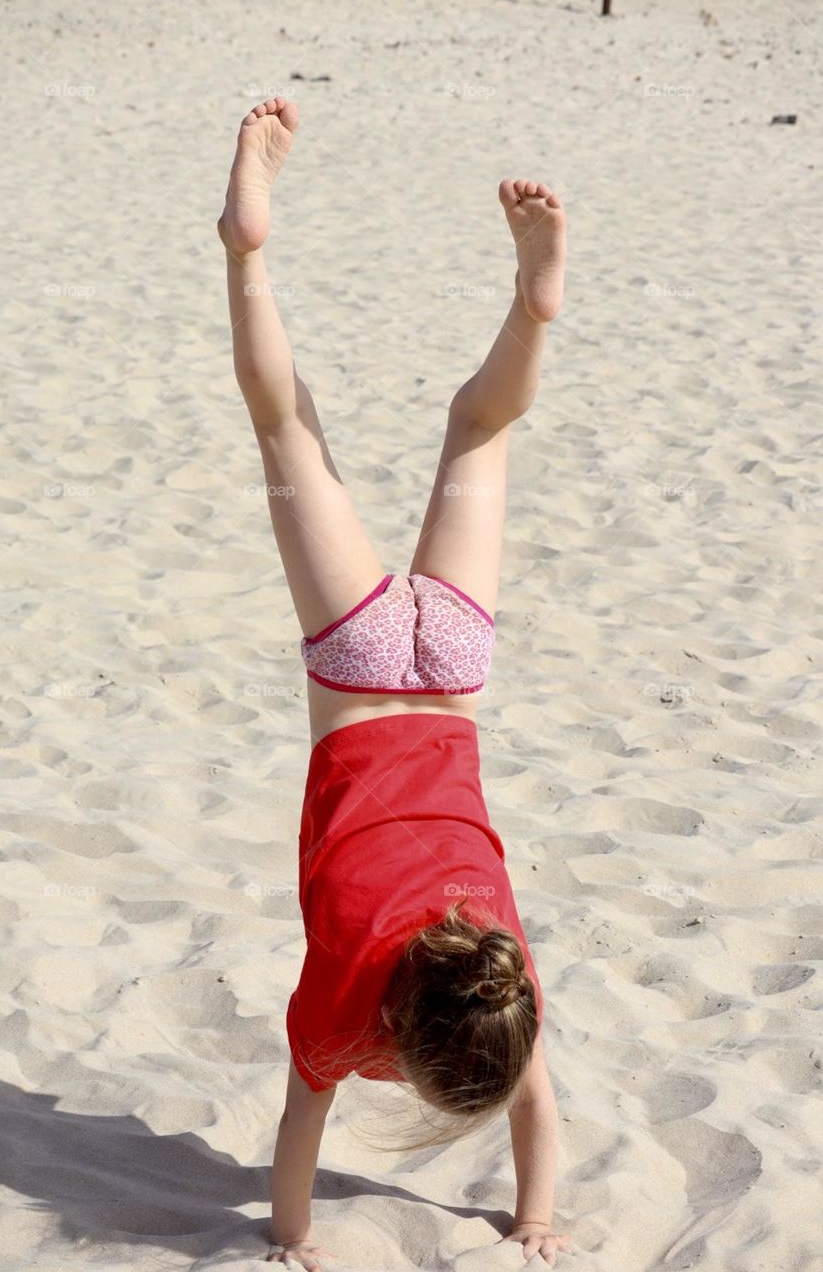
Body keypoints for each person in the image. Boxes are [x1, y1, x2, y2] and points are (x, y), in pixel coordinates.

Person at [218, 97, 572, 1270]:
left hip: (452, 658)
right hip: (364, 668)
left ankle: (530, 314)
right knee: (288, 428)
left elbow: (533, 1100)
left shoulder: (502, 968)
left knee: (477, 430)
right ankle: (246, 250)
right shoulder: (339, 1008)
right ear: (399, 1039)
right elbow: (296, 1134)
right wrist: (293, 1244)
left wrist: (537, 1213)